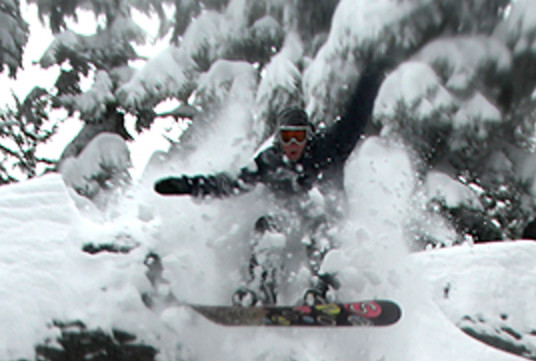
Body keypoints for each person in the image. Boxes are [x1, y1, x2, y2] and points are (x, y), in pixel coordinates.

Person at [153, 67, 384, 304]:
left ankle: (322, 290)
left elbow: (355, 119)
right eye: (287, 137)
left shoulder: (328, 149)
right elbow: (230, 184)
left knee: (321, 227)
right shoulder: (269, 162)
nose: (293, 144)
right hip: (290, 222)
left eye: (299, 137)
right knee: (267, 227)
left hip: (326, 220)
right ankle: (262, 288)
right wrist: (187, 185)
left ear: (309, 137)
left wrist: (371, 78)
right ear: (278, 139)